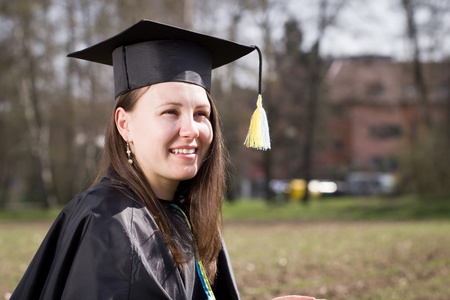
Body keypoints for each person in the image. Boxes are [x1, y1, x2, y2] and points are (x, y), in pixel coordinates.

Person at [10, 20, 323, 300]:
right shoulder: (114, 224)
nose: (191, 130)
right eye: (170, 112)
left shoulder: (177, 214)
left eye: (202, 114)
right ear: (124, 124)